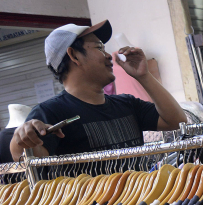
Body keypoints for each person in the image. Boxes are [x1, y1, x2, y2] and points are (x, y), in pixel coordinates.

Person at [10, 21, 186, 160]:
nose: (109, 55)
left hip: (140, 203)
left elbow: (176, 121)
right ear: (74, 55)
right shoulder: (49, 113)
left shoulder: (127, 104)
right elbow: (28, 158)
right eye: (99, 47)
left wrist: (144, 76)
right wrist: (20, 141)